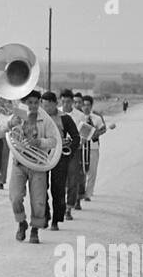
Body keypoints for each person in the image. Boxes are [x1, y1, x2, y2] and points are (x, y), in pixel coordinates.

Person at [0, 89, 50, 243]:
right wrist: (9, 124)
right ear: (24, 103)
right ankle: (21, 223)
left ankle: (35, 231)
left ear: (39, 103)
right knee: (15, 197)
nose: (32, 106)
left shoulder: (45, 119)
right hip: (19, 163)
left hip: (38, 164)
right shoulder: (16, 116)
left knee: (39, 201)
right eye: (29, 102)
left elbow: (54, 140)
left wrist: (40, 142)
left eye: (35, 103)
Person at [42, 92, 79, 230]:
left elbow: (76, 138)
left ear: (55, 103)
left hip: (60, 157)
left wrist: (68, 153)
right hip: (42, 156)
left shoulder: (65, 118)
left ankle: (56, 220)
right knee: (41, 187)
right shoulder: (39, 117)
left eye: (48, 105)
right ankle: (45, 216)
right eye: (43, 105)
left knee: (57, 189)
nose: (45, 108)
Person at [79, 95, 108, 200]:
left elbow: (103, 129)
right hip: (81, 148)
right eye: (84, 105)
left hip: (93, 147)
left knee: (92, 171)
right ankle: (80, 192)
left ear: (91, 106)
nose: (86, 107)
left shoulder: (96, 118)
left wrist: (96, 133)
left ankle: (88, 193)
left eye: (88, 105)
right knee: (81, 171)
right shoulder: (78, 117)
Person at [60, 89, 85, 212]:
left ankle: (69, 207)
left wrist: (79, 140)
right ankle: (61, 204)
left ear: (72, 102)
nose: (65, 104)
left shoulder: (80, 116)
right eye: (63, 101)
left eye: (68, 102)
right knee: (60, 179)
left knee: (73, 179)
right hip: (59, 150)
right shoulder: (56, 113)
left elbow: (84, 135)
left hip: (74, 150)